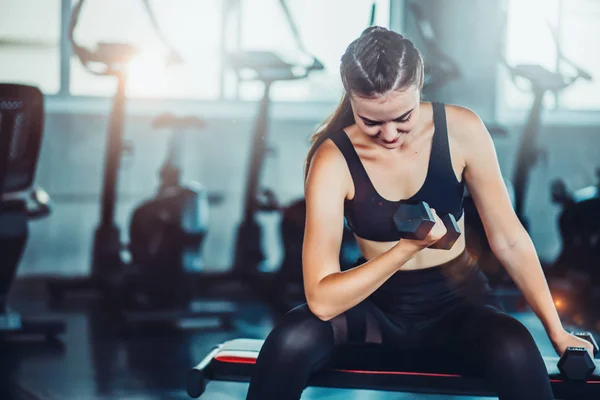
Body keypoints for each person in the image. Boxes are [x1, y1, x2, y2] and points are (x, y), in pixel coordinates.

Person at [245, 26, 594, 400]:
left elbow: (509, 239)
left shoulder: (462, 129)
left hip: (458, 306)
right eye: (372, 122)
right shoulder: (333, 159)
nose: (390, 134)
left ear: (420, 83)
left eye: (403, 117)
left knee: (515, 346)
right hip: (372, 311)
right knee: (289, 340)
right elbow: (323, 299)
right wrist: (406, 249)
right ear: (351, 98)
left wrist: (557, 331)